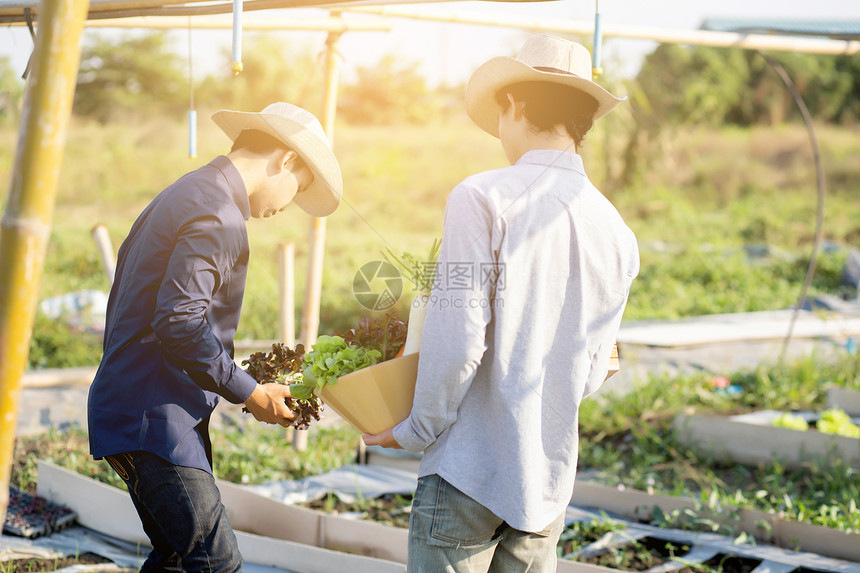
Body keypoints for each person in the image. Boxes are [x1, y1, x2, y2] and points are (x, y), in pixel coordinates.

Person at [363, 35, 640, 572]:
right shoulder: (616, 230)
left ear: (515, 104)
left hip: (470, 467)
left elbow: (459, 337)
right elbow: (590, 374)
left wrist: (415, 428)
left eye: (501, 115)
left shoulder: (483, 196)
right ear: (583, 119)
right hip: (545, 483)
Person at [87, 102, 342, 572]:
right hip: (155, 416)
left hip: (138, 406)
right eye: (297, 188)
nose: (287, 204)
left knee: (177, 560)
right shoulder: (219, 213)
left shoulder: (189, 191)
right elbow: (180, 321)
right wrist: (252, 392)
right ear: (284, 161)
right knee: (214, 562)